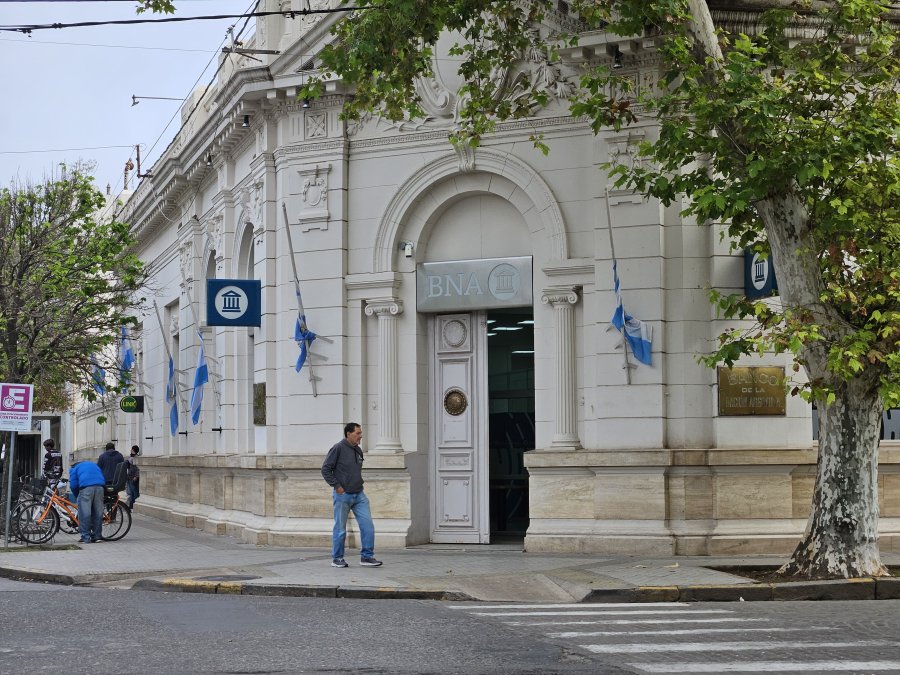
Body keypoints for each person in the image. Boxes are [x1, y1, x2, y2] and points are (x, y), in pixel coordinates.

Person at [321, 422, 382, 568]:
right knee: (340, 528)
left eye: (361, 433)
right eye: (358, 433)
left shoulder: (358, 450)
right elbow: (325, 469)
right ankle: (337, 558)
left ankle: (367, 557)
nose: (361, 436)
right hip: (343, 495)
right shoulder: (338, 448)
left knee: (368, 526)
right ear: (348, 434)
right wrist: (337, 486)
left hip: (359, 494)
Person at [68, 460, 105, 543]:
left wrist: (77, 495)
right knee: (98, 513)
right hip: (100, 487)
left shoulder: (74, 468)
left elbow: (73, 485)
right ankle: (97, 536)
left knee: (85, 514)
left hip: (86, 489)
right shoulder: (93, 464)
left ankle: (85, 537)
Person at [125, 444, 140, 509]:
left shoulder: (135, 457)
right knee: (131, 491)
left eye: (132, 449)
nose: (130, 450)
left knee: (134, 491)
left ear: (133, 450)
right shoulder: (132, 457)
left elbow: (137, 468)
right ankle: (131, 504)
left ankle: (133, 504)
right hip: (130, 477)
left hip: (133, 477)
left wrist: (136, 476)